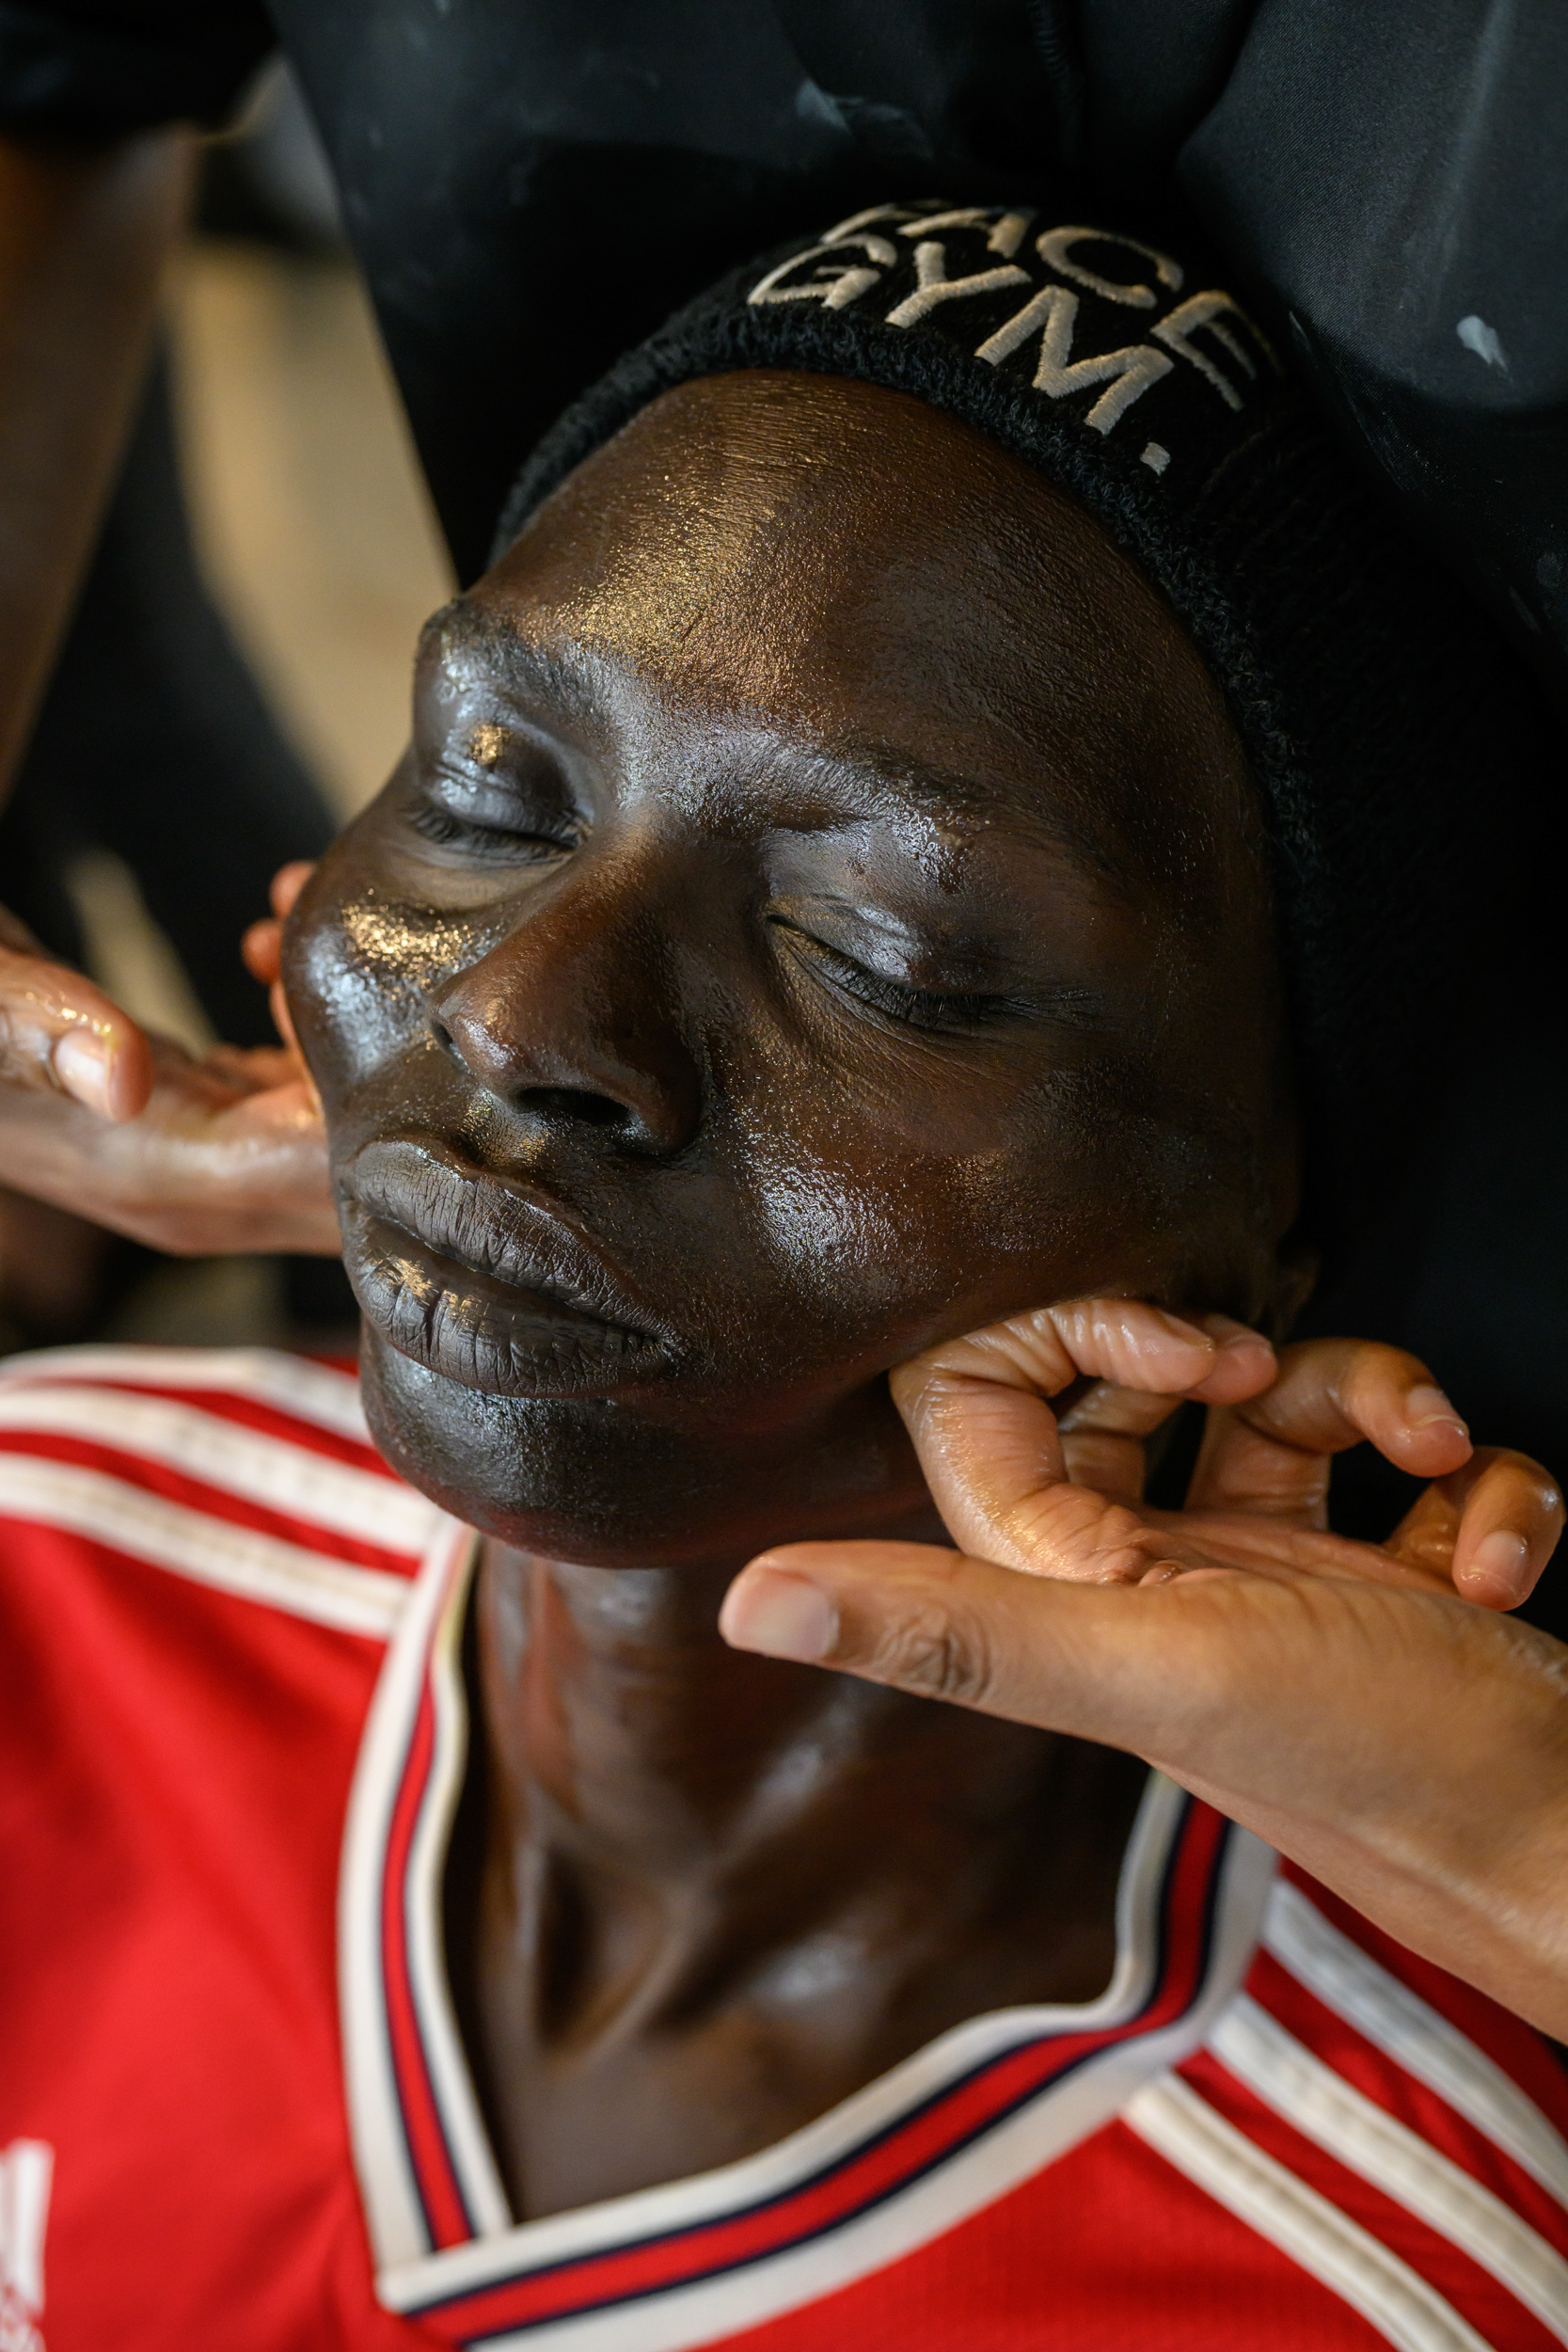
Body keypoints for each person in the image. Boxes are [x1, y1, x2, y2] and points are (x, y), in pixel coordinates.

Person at [5, 207, 1567, 2348]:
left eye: (885, 950)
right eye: (493, 793)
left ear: (1263, 1212)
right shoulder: (48, 1567)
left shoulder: (1400, 2253)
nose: (525, 1014)